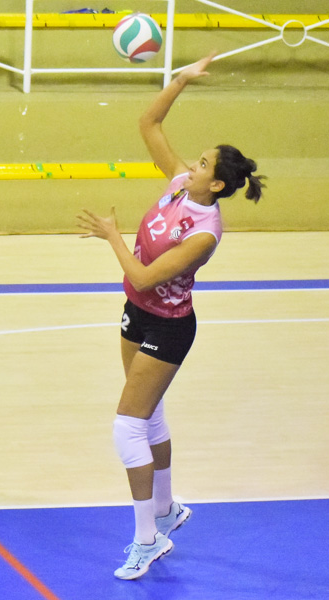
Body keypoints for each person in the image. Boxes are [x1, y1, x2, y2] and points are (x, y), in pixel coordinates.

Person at [76, 52, 264, 581]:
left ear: (219, 186)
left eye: (203, 165)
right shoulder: (180, 182)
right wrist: (180, 79)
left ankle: (147, 539)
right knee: (148, 415)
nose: (192, 166)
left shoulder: (205, 233)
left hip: (169, 326)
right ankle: (167, 509)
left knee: (126, 429)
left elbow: (143, 275)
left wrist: (112, 235)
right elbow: (149, 123)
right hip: (136, 315)